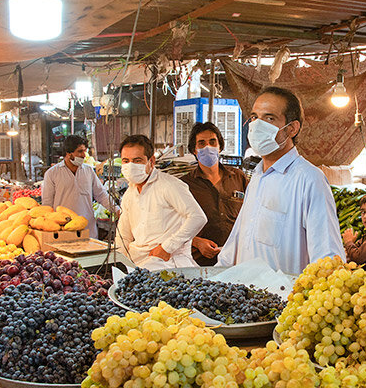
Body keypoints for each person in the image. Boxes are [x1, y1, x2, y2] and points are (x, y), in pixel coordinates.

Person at [217, 87, 344, 275]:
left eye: (269, 119)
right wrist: (217, 274)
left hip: (283, 298)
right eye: (254, 118)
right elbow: (239, 237)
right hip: (245, 296)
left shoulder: (309, 180)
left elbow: (327, 256)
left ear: (292, 129)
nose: (257, 125)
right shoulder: (257, 176)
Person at [115, 134, 206, 269]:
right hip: (139, 262)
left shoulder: (169, 185)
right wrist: (119, 262)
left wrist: (167, 247)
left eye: (137, 160)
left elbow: (198, 217)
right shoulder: (129, 193)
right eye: (126, 161)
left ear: (151, 161)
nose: (131, 166)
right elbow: (123, 235)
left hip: (170, 262)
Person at [181, 122, 248, 266]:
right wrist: (196, 242)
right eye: (201, 143)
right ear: (194, 150)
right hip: (200, 262)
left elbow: (252, 213)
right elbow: (171, 226)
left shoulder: (238, 177)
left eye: (212, 142)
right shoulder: (184, 185)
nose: (208, 147)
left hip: (236, 258)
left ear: (220, 146)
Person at [41, 135, 118, 238]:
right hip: (63, 231)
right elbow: (47, 204)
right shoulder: (52, 173)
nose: (83, 155)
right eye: (80, 151)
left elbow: (101, 195)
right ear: (68, 154)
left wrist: (116, 209)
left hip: (87, 230)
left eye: (84, 151)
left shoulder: (88, 171)